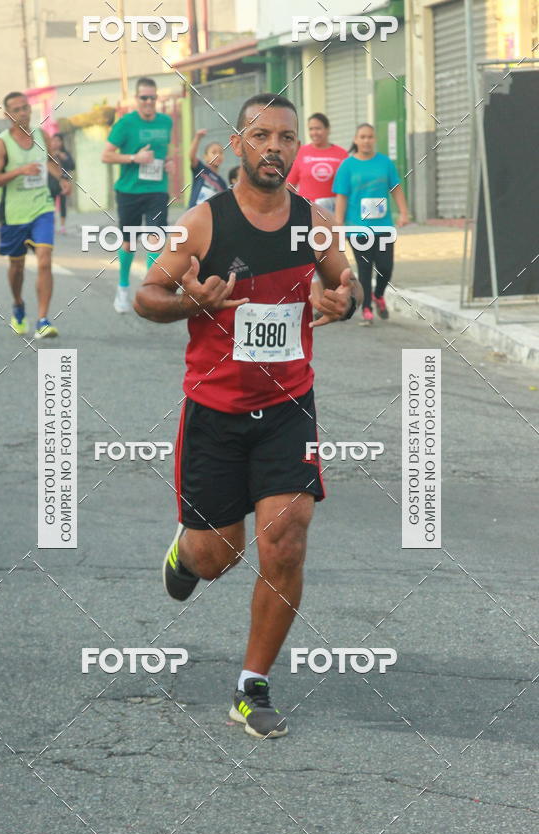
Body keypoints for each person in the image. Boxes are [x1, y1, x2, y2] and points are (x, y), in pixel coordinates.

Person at [135, 93, 363, 740]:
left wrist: (342, 300)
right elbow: (145, 295)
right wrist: (188, 302)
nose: (275, 147)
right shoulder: (204, 224)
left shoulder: (313, 223)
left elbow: (348, 286)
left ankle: (251, 684)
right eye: (261, 135)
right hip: (215, 413)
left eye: (286, 137)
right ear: (238, 145)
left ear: (298, 148)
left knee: (285, 541)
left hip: (289, 408)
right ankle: (185, 556)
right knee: (218, 556)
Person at [0, 91, 71, 339]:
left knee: (44, 260)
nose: (22, 113)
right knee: (17, 267)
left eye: (25, 108)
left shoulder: (41, 135)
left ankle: (43, 320)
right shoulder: (1, 143)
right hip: (14, 214)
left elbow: (50, 162)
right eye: (16, 109)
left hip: (42, 207)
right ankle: (18, 303)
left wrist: (62, 178)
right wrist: (20, 170)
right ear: (7, 115)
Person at [101, 76, 174, 313]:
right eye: (144, 98)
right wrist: (134, 158)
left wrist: (169, 163)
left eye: (153, 98)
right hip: (129, 190)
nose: (149, 102)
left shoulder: (166, 122)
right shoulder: (125, 124)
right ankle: (122, 289)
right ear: (137, 99)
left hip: (156, 190)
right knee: (129, 243)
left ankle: (148, 291)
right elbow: (106, 156)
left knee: (155, 239)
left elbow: (166, 151)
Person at [333, 123, 409, 324]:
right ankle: (366, 307)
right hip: (357, 227)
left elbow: (395, 188)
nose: (366, 140)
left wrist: (403, 212)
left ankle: (378, 295)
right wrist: (339, 223)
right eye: (362, 137)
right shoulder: (347, 166)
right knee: (365, 268)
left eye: (370, 137)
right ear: (356, 140)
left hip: (383, 226)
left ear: (374, 139)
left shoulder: (384, 163)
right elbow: (341, 195)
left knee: (385, 266)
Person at [286, 113, 347, 213]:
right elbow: (289, 186)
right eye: (311, 129)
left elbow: (345, 188)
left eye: (318, 128)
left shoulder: (341, 154)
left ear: (328, 129)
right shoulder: (300, 152)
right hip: (306, 211)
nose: (314, 132)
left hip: (332, 213)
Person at [187, 129, 227, 207]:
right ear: (206, 157)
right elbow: (191, 156)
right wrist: (197, 138)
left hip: (209, 217)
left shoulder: (222, 183)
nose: (218, 155)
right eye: (214, 152)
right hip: (194, 214)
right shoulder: (200, 169)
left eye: (221, 152)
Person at [48, 133, 75, 234]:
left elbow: (72, 166)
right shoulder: (49, 154)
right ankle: (53, 226)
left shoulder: (65, 153)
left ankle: (63, 226)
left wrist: (64, 158)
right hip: (51, 183)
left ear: (62, 142)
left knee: (63, 205)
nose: (55, 143)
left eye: (58, 140)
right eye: (53, 140)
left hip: (64, 184)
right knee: (51, 205)